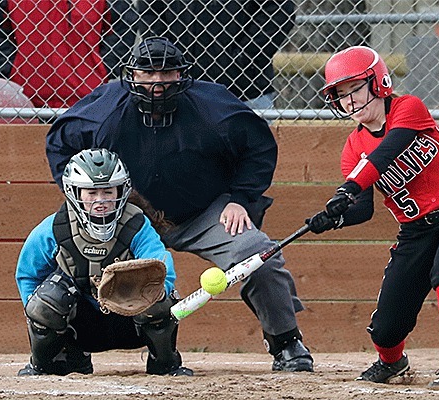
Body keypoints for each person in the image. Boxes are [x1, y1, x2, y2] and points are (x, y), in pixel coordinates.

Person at [45, 36, 313, 373]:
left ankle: (286, 342)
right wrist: (82, 198)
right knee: (75, 261)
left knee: (259, 255)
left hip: (203, 214)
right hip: (128, 218)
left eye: (167, 72)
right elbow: (59, 141)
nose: (157, 82)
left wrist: (240, 198)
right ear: (131, 75)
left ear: (181, 75)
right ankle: (68, 347)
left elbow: (258, 146)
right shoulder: (107, 110)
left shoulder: (210, 106)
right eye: (147, 73)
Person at [305, 46, 439, 388]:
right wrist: (334, 217)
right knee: (386, 327)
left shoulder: (407, 108)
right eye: (340, 95)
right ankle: (393, 363)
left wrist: (349, 186)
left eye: (354, 89)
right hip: (414, 231)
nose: (348, 101)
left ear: (378, 82)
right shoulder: (352, 146)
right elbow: (363, 208)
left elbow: (390, 149)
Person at [15, 148, 193, 376]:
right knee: (47, 299)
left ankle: (165, 364)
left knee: (157, 294)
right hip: (80, 327)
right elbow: (27, 274)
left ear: (121, 190)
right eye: (91, 193)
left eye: (108, 192)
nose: (100, 201)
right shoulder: (55, 227)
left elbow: (161, 268)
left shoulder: (136, 224)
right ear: (75, 193)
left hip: (130, 321)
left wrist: (157, 293)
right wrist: (37, 315)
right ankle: (52, 364)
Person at [136, 1, 296, 109]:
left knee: (253, 155)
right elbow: (150, 13)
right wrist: (168, 60)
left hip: (245, 90)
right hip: (181, 90)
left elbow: (279, 11)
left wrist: (244, 57)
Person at [0, 0, 136, 109]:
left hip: (87, 100)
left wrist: (102, 68)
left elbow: (125, 24)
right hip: (27, 100)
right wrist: (13, 68)